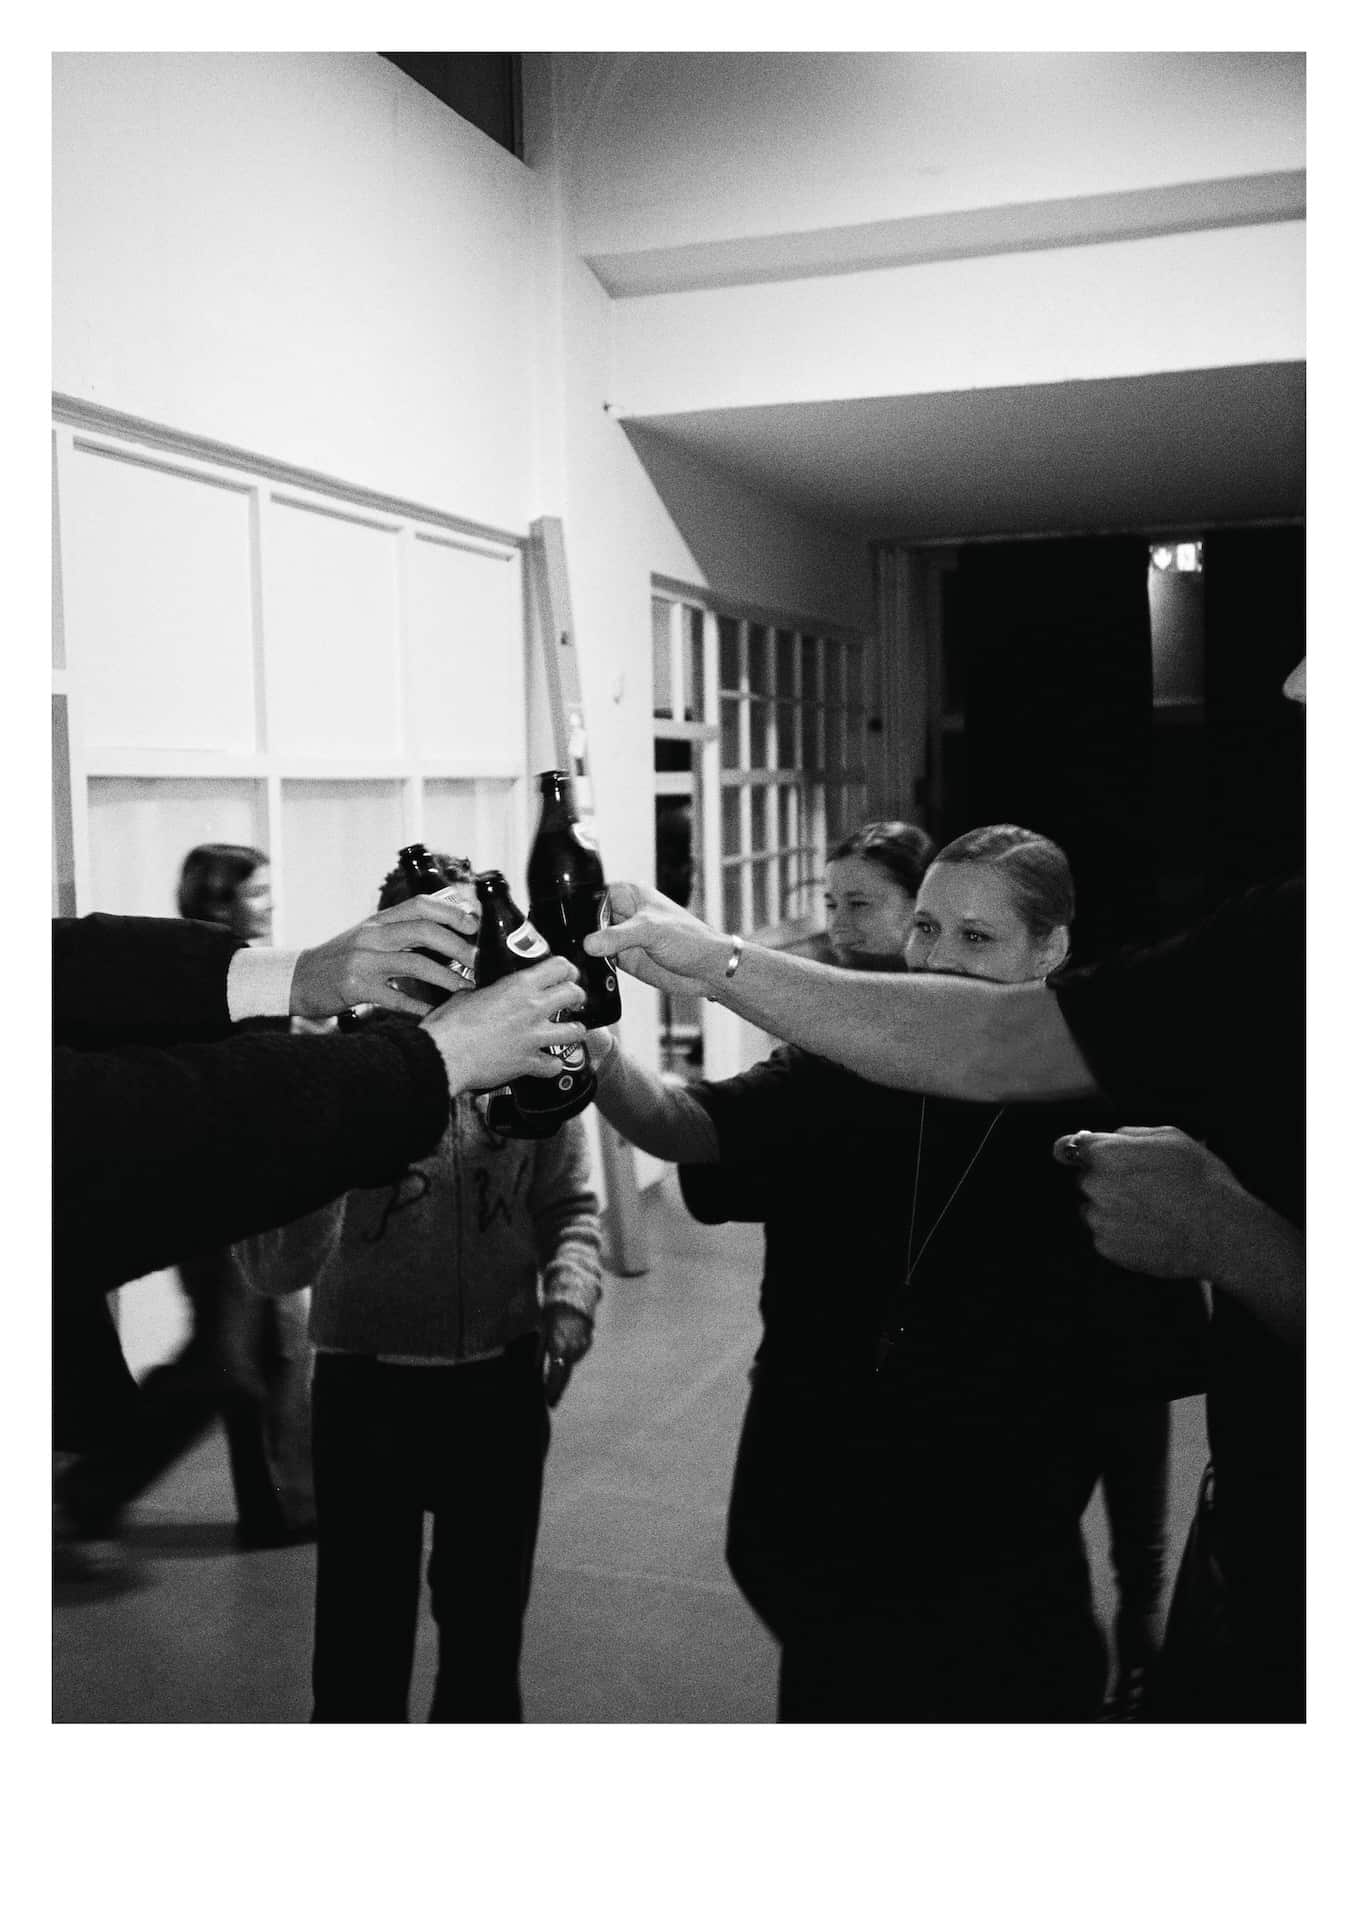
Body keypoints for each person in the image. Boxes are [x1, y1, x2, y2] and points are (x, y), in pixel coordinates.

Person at [585, 790, 1304, 1719]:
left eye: (977, 937)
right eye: (925, 929)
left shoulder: (1107, 1128)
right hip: (827, 1529)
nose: (938, 958)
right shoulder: (841, 1067)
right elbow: (688, 1128)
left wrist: (1141, 1582)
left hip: (1003, 1558)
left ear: (1049, 953)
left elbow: (1132, 1400)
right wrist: (595, 1051)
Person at [235, 853, 603, 1722]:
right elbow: (272, 1269)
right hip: (368, 1389)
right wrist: (341, 1137)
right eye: (424, 954)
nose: (449, 976)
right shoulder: (328, 1070)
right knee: (360, 1653)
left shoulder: (532, 1054)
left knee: (485, 1644)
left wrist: (569, 1299)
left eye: (464, 951)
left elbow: (568, 1204)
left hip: (500, 1385)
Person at [55, 847, 318, 1560]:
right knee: (225, 1363)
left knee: (273, 1354)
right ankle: (91, 1491)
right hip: (215, 1202)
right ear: (220, 901)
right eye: (256, 891)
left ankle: (278, 1508)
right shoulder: (210, 982)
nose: (269, 901)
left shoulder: (243, 974)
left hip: (257, 1195)